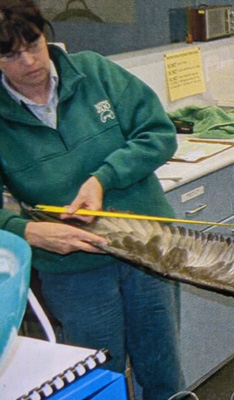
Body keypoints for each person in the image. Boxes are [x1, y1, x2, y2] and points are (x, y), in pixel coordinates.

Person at [0, 1, 183, 398]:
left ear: (45, 33)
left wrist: (104, 178)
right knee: (99, 376)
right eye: (10, 54)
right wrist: (30, 232)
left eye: (34, 42)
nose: (30, 60)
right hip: (73, 268)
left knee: (162, 369)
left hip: (146, 246)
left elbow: (159, 133)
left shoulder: (95, 72)